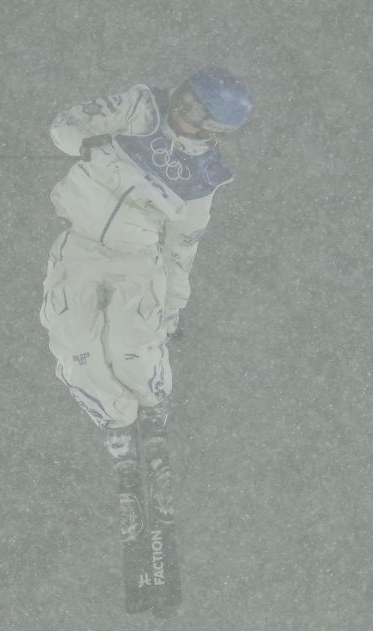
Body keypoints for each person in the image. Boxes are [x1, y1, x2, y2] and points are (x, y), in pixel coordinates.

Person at [39, 67, 252, 450]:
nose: (179, 110)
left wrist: (172, 309)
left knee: (128, 344)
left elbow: (181, 247)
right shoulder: (142, 107)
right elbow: (65, 125)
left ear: (213, 129)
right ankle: (115, 418)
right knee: (77, 342)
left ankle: (152, 405)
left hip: (136, 259)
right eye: (184, 97)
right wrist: (85, 143)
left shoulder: (202, 177)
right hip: (81, 245)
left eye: (193, 111)